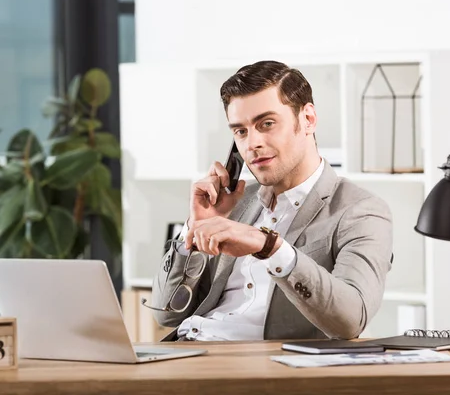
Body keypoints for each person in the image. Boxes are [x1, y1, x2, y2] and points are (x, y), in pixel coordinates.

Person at [146, 60, 393, 342]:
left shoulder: (360, 211)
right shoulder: (233, 203)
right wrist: (194, 226)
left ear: (308, 119)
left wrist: (270, 247)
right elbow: (166, 315)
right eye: (241, 131)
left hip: (255, 368)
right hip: (189, 351)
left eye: (267, 124)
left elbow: (350, 321)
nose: (252, 144)